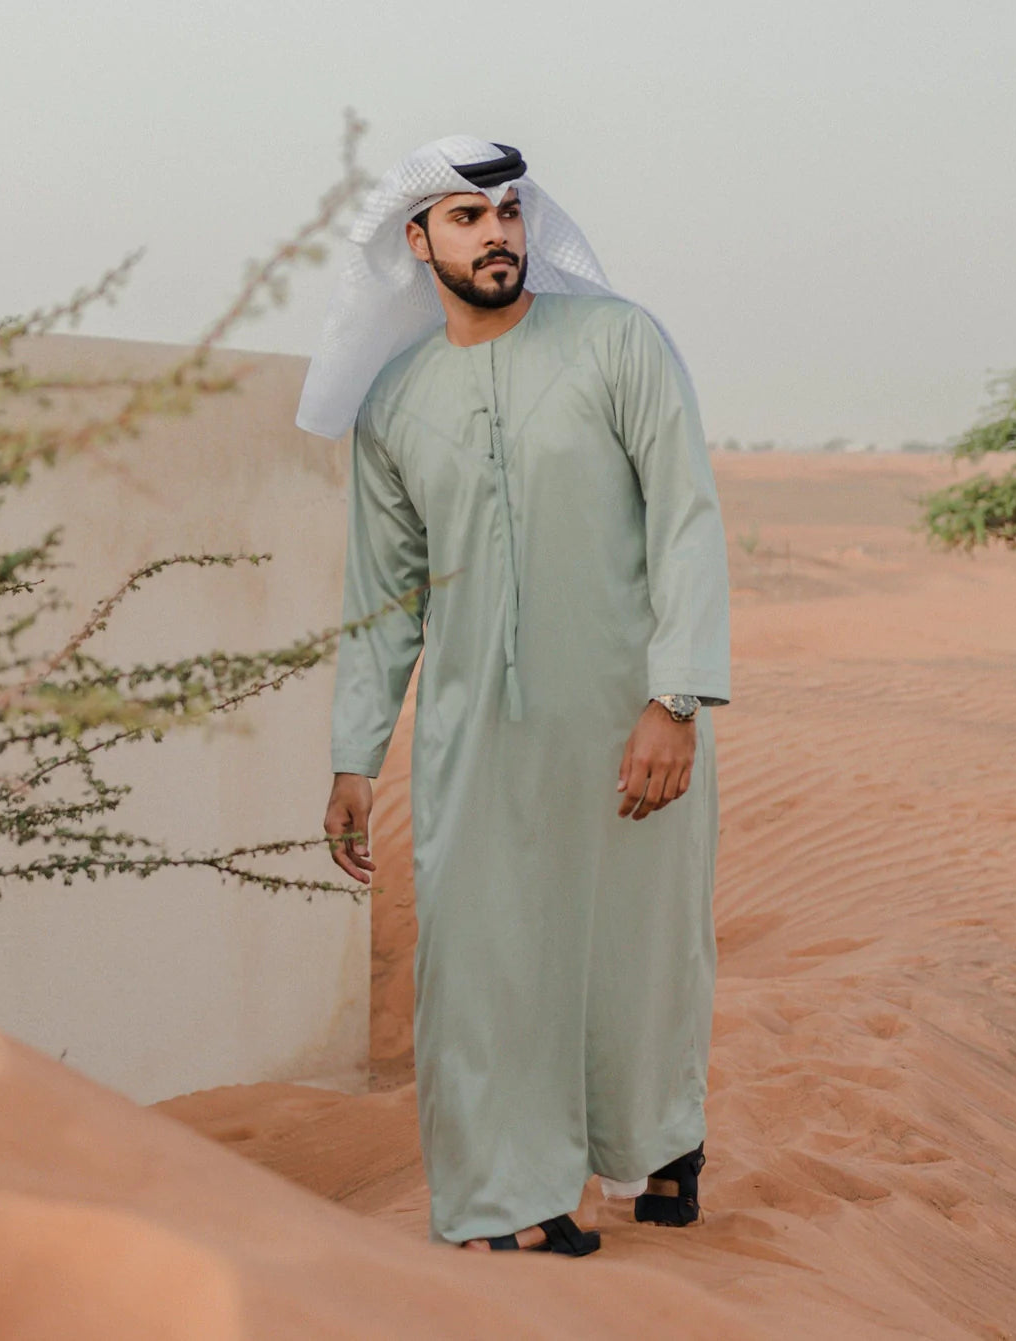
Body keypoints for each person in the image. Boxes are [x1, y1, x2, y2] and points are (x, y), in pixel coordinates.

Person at [297, 137, 731, 1255]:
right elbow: (383, 595)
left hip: (632, 718)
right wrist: (356, 754)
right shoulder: (396, 401)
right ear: (417, 242)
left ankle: (657, 1139)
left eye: (506, 211)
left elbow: (688, 520)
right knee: (481, 958)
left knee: (635, 951)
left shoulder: (618, 342)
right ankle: (506, 1195)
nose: (495, 232)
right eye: (464, 216)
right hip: (473, 736)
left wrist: (674, 699)